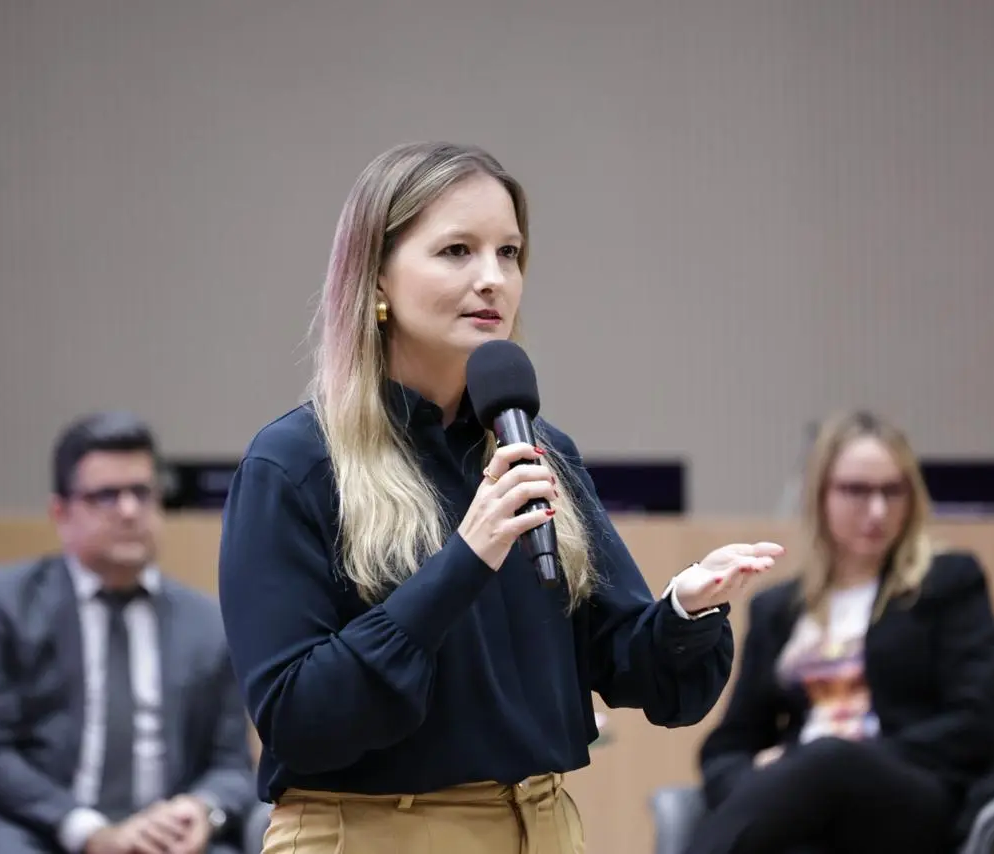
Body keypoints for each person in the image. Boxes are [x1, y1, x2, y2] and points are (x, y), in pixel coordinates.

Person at [216, 141, 786, 854]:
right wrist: (465, 558)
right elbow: (300, 717)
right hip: (372, 833)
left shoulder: (537, 449)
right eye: (457, 251)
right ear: (378, 280)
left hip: (543, 825)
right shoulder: (295, 464)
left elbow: (639, 674)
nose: (493, 280)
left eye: (509, 253)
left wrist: (684, 610)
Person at [0, 412, 257, 854]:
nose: (129, 510)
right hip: (38, 830)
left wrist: (201, 809)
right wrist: (88, 831)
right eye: (106, 496)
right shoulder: (3, 603)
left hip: (165, 840)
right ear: (60, 513)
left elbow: (232, 764)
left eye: (142, 492)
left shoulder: (207, 622)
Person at [687, 410, 994, 854]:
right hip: (811, 802)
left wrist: (830, 759)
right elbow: (727, 746)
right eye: (856, 490)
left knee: (830, 756)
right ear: (819, 495)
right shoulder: (779, 608)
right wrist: (763, 779)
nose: (877, 509)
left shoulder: (948, 583)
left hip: (915, 797)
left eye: (892, 491)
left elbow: (978, 720)